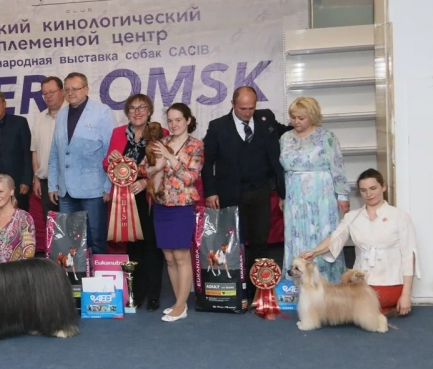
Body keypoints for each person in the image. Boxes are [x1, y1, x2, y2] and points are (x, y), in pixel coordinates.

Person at [202, 86, 290, 303]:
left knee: (260, 241)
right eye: (243, 108)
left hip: (260, 192)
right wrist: (210, 192)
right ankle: (233, 290)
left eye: (251, 108)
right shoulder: (217, 126)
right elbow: (207, 162)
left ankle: (258, 291)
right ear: (232, 104)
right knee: (230, 243)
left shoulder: (266, 120)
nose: (248, 112)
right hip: (229, 193)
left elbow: (288, 131)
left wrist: (309, 126)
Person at [302, 169, 419, 315]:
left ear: (383, 186)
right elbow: (334, 239)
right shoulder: (352, 217)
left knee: (354, 307)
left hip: (390, 285)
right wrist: (313, 252)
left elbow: (409, 257)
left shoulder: (400, 216)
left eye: (373, 188)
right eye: (363, 190)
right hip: (359, 284)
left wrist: (406, 295)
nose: (369, 194)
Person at [103, 94, 165, 311]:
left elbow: (165, 167)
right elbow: (107, 164)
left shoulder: (159, 132)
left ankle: (154, 294)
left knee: (152, 246)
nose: (137, 112)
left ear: (150, 110)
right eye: (132, 108)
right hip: (125, 198)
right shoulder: (118, 133)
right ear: (127, 112)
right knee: (133, 246)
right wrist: (110, 159)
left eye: (142, 107)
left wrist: (145, 182)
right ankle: (136, 292)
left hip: (150, 196)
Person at [280, 97, 350, 282]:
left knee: (322, 234)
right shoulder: (285, 138)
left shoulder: (326, 137)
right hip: (294, 194)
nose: (296, 121)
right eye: (293, 117)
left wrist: (342, 195)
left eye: (301, 118)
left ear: (312, 116)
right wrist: (283, 196)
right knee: (295, 236)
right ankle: (296, 284)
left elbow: (337, 166)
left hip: (321, 194)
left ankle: (327, 284)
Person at [146, 104, 203, 322]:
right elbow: (144, 169)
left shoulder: (196, 145)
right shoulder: (161, 143)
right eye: (170, 120)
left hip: (182, 206)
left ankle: (181, 305)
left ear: (188, 120)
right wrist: (154, 167)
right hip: (161, 205)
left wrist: (170, 158)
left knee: (181, 256)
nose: (173, 124)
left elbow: (190, 178)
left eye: (178, 120)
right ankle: (179, 302)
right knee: (169, 258)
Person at [48, 72, 116, 255]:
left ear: (86, 89)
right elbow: (55, 152)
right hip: (65, 191)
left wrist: (108, 186)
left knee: (96, 239)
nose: (70, 93)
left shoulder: (102, 112)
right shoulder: (61, 115)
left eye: (75, 89)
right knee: (69, 241)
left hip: (93, 190)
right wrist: (52, 184)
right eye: (67, 89)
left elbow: (111, 152)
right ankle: (75, 274)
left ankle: (98, 274)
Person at [31, 76, 66, 219]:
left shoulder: (73, 115)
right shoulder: (39, 119)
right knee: (52, 227)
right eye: (45, 93)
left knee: (73, 226)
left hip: (69, 182)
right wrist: (36, 178)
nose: (48, 96)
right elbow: (35, 151)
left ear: (62, 92)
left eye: (52, 92)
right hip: (45, 182)